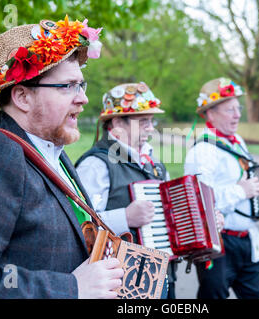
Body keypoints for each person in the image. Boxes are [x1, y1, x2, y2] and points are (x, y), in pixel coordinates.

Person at [0, 16, 124, 298]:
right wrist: (72, 289)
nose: (83, 99)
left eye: (81, 85)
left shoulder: (54, 154)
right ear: (22, 97)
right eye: (67, 86)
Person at [75, 82, 181, 298]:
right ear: (117, 123)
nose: (151, 128)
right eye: (143, 121)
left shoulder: (155, 164)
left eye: (151, 121)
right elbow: (79, 227)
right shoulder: (95, 165)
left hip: (164, 274)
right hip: (123, 282)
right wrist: (125, 217)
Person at [184, 77, 259, 299]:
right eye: (230, 109)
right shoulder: (202, 151)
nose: (238, 114)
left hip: (247, 239)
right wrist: (240, 191)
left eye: (238, 108)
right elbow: (197, 205)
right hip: (217, 244)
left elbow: (249, 180)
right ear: (211, 113)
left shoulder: (237, 141)